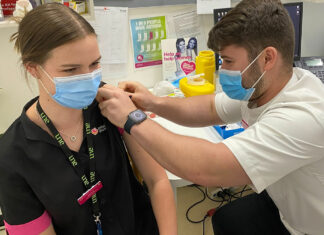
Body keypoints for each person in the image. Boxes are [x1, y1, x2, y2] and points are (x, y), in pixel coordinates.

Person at [97, 0, 324, 234]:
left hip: (309, 227)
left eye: (228, 61)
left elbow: (207, 167)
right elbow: (209, 108)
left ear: (267, 59)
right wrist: (152, 102)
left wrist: (132, 118)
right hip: (284, 203)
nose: (223, 69)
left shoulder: (302, 116)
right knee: (225, 220)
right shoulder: (266, 85)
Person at [0, 3, 177, 235]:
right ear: (33, 69)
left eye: (94, 64)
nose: (88, 79)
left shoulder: (111, 103)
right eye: (71, 70)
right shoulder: (12, 156)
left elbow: (158, 181)